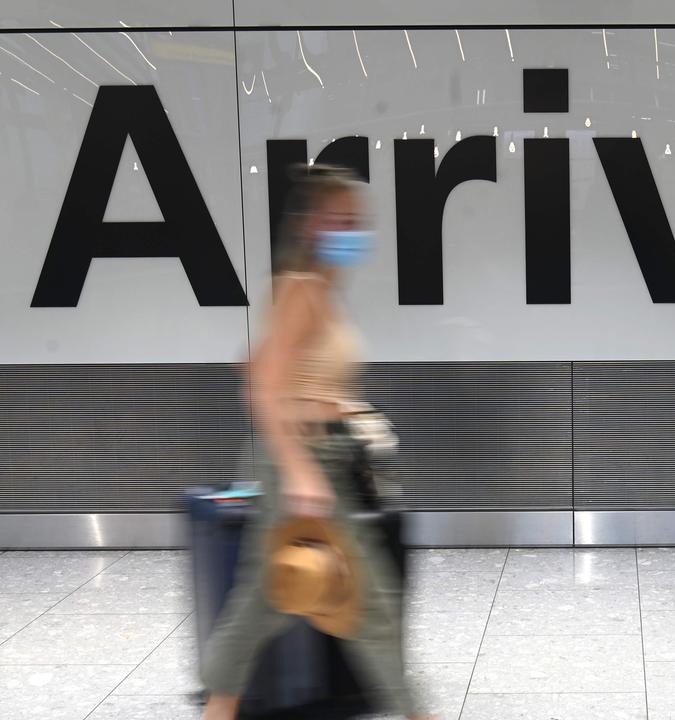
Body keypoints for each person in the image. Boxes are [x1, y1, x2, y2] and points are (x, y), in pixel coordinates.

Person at [200, 165, 435, 720]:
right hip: (303, 465)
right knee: (370, 605)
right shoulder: (302, 290)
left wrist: (341, 405)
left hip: (321, 456)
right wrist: (300, 468)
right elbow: (262, 384)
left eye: (357, 221)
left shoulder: (321, 291)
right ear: (310, 226)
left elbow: (255, 364)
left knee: (266, 599)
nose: (353, 231)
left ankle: (217, 706)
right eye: (341, 220)